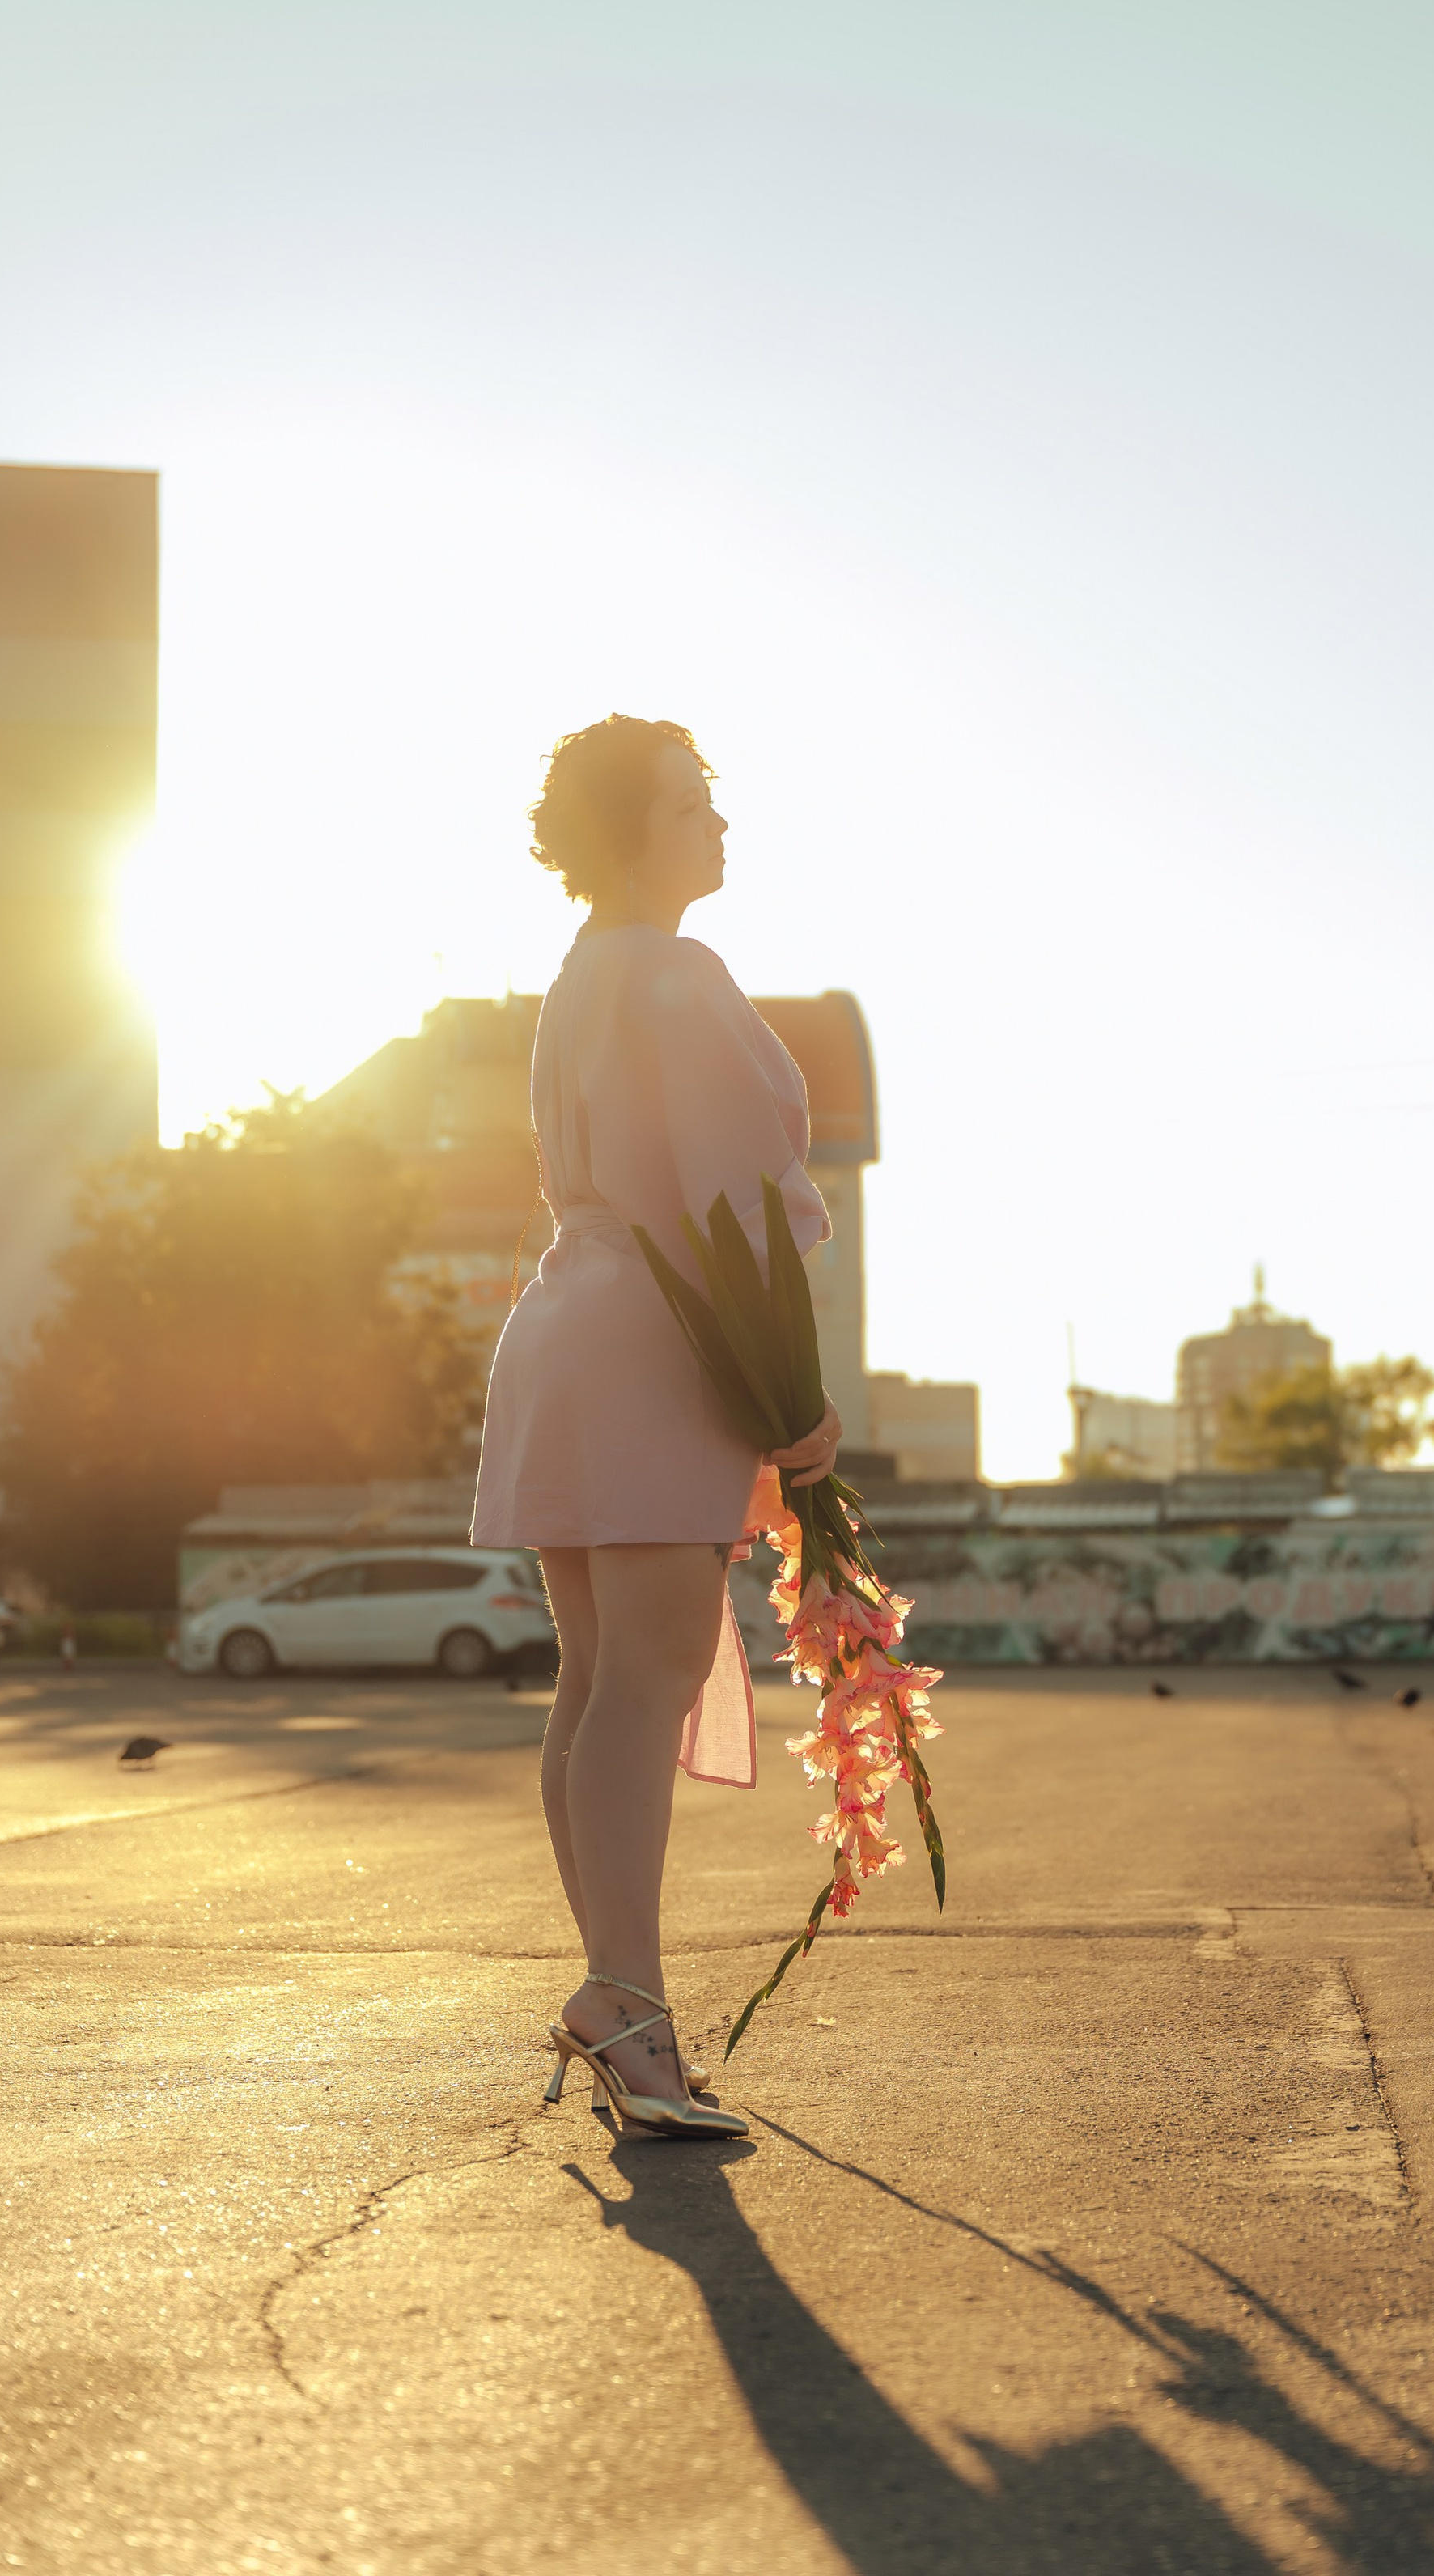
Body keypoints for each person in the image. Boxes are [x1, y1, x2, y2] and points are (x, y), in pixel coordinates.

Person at [470, 716, 840, 2140]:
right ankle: (625, 2001)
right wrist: (797, 1417)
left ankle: (619, 1996)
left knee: (594, 1682)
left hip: (566, 1319)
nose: (720, 826)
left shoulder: (581, 980)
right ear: (633, 834)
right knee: (647, 1681)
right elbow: (735, 1216)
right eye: (693, 805)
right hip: (654, 1334)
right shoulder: (675, 977)